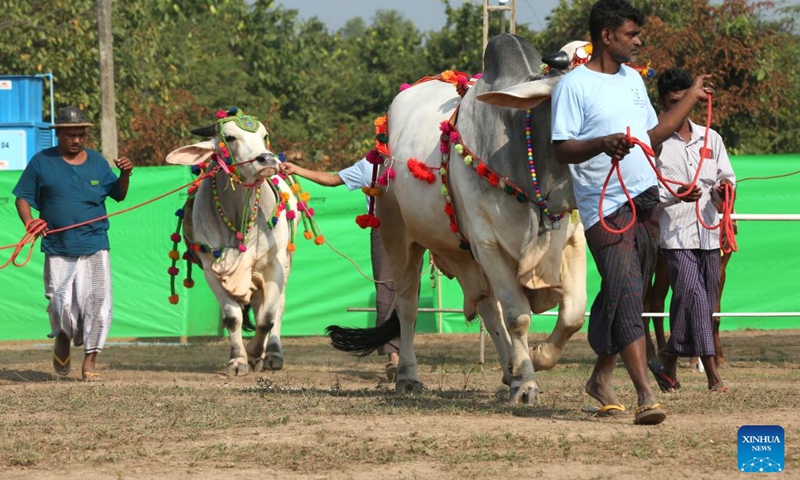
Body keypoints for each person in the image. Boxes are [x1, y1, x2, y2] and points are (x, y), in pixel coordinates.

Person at [551, 0, 712, 425]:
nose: (638, 41)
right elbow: (562, 147)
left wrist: (692, 98)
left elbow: (652, 135)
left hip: (646, 198)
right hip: (604, 206)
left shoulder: (634, 82)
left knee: (627, 292)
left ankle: (599, 380)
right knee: (624, 290)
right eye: (630, 34)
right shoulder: (574, 86)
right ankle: (645, 394)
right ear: (607, 36)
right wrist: (602, 143)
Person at [13, 106, 133, 382]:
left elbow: (118, 195)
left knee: (98, 304)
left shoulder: (97, 162)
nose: (76, 140)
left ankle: (90, 362)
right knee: (59, 304)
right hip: (58, 245)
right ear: (58, 134)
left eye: (80, 135)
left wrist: (125, 174)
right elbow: (22, 197)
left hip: (95, 243)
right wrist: (29, 222)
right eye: (70, 135)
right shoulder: (41, 162)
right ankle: (63, 337)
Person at [652, 67, 735, 393]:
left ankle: (668, 362)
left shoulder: (711, 137)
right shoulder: (654, 141)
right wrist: (676, 195)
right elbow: (645, 192)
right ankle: (714, 376)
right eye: (674, 102)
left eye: (686, 100)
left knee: (704, 300)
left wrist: (723, 194)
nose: (681, 107)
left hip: (709, 232)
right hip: (674, 235)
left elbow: (727, 178)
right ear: (662, 101)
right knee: (694, 297)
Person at [280, 158, 400, 381]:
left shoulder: (414, 160)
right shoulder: (370, 164)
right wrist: (297, 169)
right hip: (382, 231)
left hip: (416, 230)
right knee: (386, 294)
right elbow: (333, 179)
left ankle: (406, 355)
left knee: (409, 294)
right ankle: (394, 358)